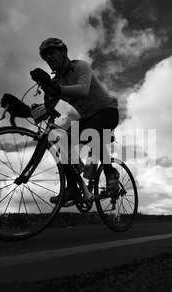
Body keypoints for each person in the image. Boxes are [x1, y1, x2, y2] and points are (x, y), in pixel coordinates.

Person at [30, 37, 120, 204]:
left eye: (52, 52)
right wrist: (23, 110)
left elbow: (83, 90)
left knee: (91, 133)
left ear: (64, 53)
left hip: (108, 111)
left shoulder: (80, 66)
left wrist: (55, 89)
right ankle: (72, 187)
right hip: (88, 117)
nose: (48, 58)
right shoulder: (56, 81)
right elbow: (46, 108)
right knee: (62, 142)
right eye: (45, 56)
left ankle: (110, 172)